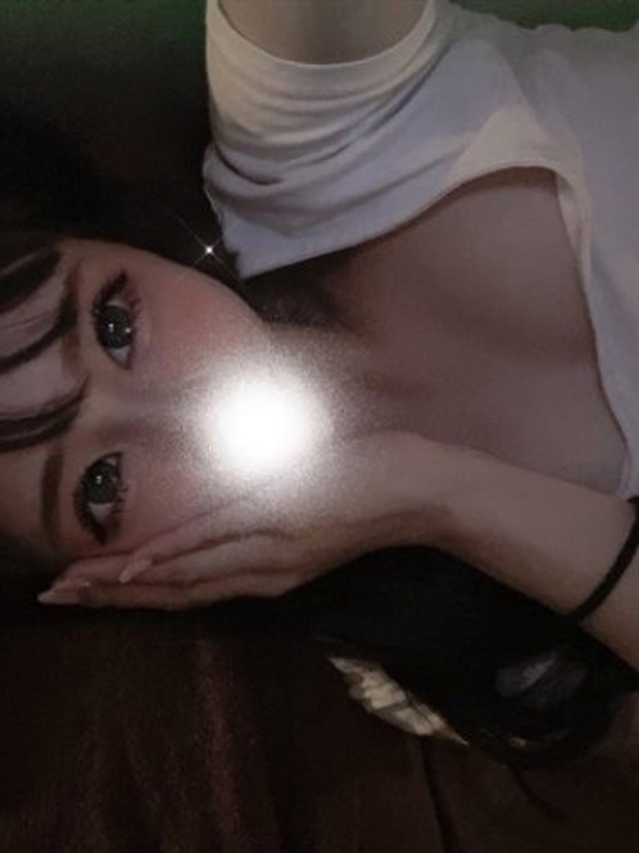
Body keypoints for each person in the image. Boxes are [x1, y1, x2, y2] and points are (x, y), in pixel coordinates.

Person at [2, 0, 639, 765]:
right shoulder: (448, 656)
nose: (171, 411)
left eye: (113, 325)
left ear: (122, 241)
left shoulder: (310, 140)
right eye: (101, 483)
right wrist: (438, 499)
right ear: (106, 576)